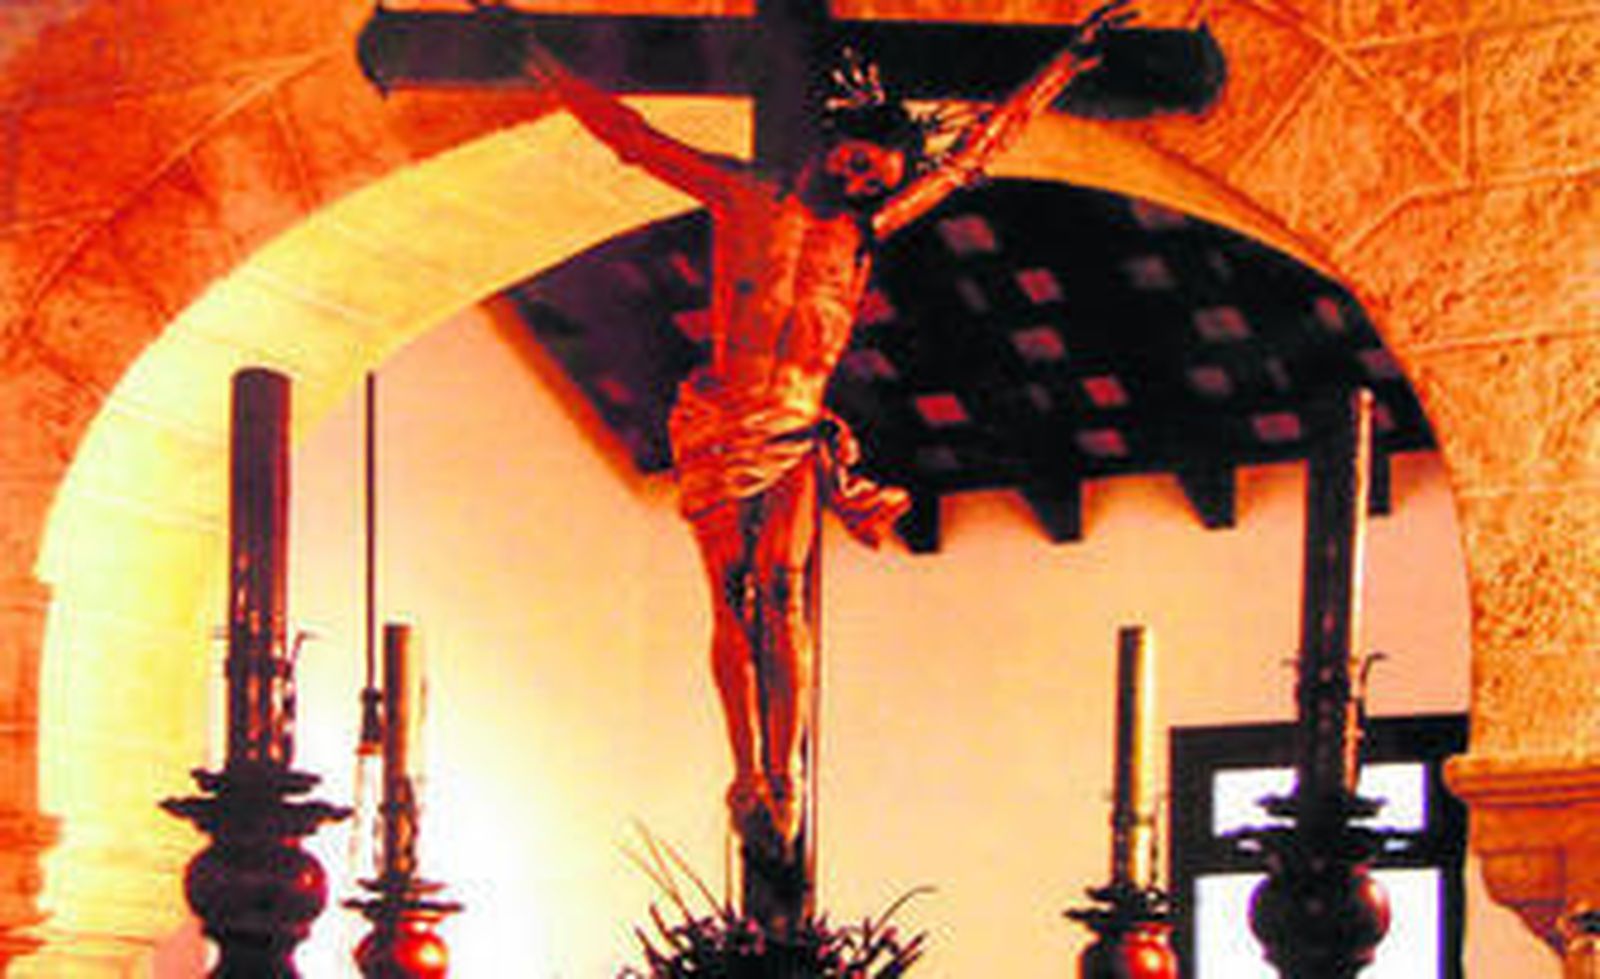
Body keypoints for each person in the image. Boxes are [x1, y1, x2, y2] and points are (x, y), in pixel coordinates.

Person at [524, 0, 1134, 854]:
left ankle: (789, 770)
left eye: (874, 178)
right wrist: (539, 61)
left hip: (797, 428)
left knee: (783, 590)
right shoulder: (741, 193)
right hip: (723, 419)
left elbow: (972, 156)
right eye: (858, 162)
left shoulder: (863, 232)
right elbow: (632, 137)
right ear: (840, 133)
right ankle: (748, 769)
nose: (861, 181)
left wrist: (1062, 68)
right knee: (733, 590)